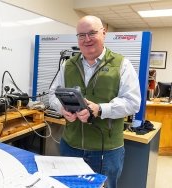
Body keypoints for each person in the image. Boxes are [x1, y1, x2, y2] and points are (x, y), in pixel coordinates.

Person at [48, 15, 141, 188]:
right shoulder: (67, 65)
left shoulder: (122, 65)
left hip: (107, 151)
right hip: (70, 146)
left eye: (92, 33)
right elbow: (53, 94)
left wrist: (100, 109)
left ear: (104, 33)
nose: (87, 39)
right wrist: (62, 109)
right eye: (81, 35)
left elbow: (133, 102)